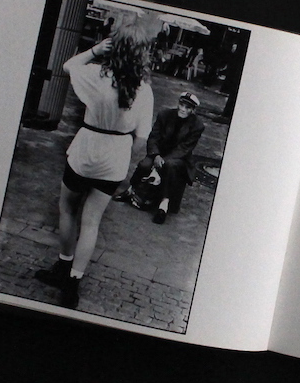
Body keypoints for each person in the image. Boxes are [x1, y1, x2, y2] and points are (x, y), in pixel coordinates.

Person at [34, 29, 154, 309]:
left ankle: (63, 265)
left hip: (86, 149)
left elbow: (68, 66)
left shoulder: (96, 75)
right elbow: (142, 139)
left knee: (67, 209)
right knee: (91, 222)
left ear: (113, 48)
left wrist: (95, 50)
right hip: (115, 158)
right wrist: (122, 154)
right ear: (142, 55)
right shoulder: (144, 90)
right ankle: (73, 282)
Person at [114, 91, 205, 224]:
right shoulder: (165, 115)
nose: (183, 109)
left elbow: (185, 148)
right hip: (159, 153)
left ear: (193, 110)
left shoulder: (197, 125)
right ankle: (130, 190)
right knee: (145, 164)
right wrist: (156, 155)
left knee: (170, 166)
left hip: (180, 158)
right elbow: (154, 137)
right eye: (181, 105)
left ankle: (164, 205)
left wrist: (163, 160)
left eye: (188, 107)